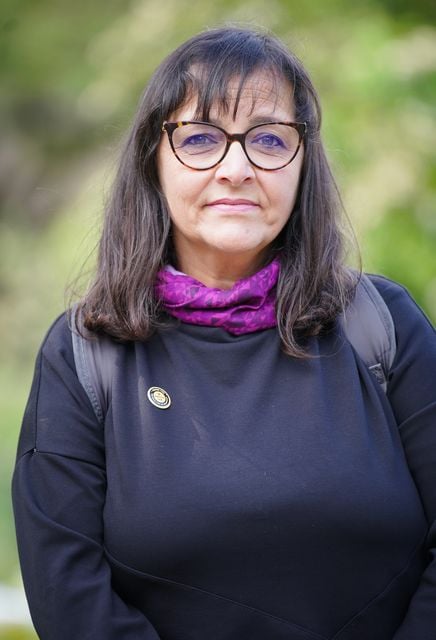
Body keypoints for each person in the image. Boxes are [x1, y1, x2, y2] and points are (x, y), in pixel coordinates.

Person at [11, 25, 436, 640]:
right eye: (202, 138)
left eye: (267, 138)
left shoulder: (384, 326)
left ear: (302, 163)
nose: (236, 168)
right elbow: (68, 593)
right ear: (153, 161)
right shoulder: (86, 352)